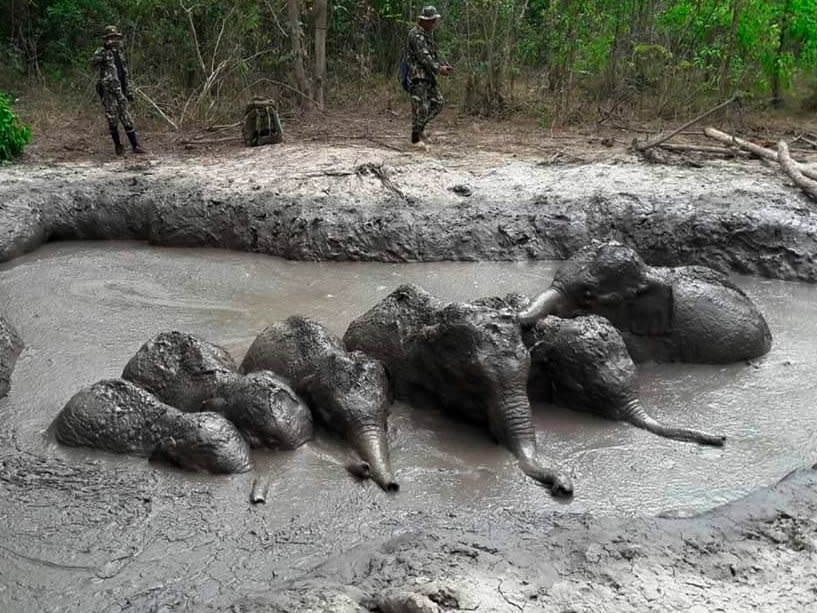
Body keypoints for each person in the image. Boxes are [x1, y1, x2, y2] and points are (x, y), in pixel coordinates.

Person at [92, 25, 145, 155]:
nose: (114, 40)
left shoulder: (120, 53)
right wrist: (104, 50)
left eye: (115, 37)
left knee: (127, 118)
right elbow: (93, 62)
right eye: (111, 38)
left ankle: (135, 145)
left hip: (121, 90)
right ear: (106, 39)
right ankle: (118, 146)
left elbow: (125, 73)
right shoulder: (102, 52)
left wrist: (129, 91)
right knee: (112, 119)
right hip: (109, 92)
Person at [405, 6, 452, 147]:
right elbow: (424, 58)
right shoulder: (416, 35)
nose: (434, 24)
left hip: (428, 77)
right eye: (431, 21)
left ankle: (420, 130)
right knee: (420, 107)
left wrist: (442, 66)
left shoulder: (426, 34)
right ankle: (415, 137)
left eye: (434, 21)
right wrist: (439, 69)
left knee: (438, 103)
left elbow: (432, 56)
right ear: (423, 20)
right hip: (418, 77)